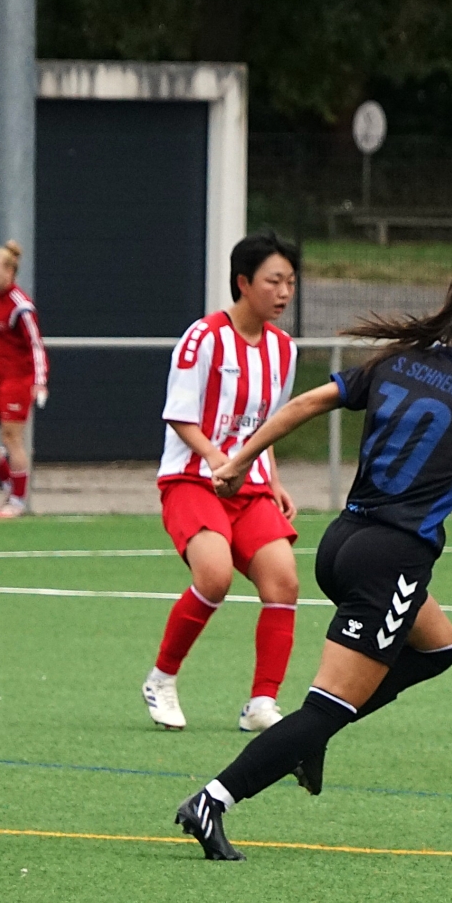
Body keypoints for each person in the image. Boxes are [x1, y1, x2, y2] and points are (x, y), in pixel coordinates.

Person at [173, 272, 452, 860]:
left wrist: (238, 461)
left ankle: (312, 735)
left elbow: (307, 403)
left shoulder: (401, 361)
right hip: (392, 559)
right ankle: (212, 800)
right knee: (324, 708)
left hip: (341, 543)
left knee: (438, 648)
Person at [142, 232, 303, 733]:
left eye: (290, 282)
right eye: (273, 281)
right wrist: (217, 459)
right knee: (213, 576)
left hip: (248, 486)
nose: (284, 292)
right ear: (243, 283)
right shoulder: (203, 337)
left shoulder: (284, 349)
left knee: (284, 581)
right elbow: (179, 414)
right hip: (193, 479)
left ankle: (261, 703)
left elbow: (268, 425)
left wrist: (272, 480)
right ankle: (161, 679)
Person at [0, 238, 48, 519]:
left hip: (17, 379)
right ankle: (10, 483)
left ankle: (18, 500)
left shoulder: (21, 306)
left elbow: (36, 345)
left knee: (11, 438)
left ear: (9, 272)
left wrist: (40, 380)